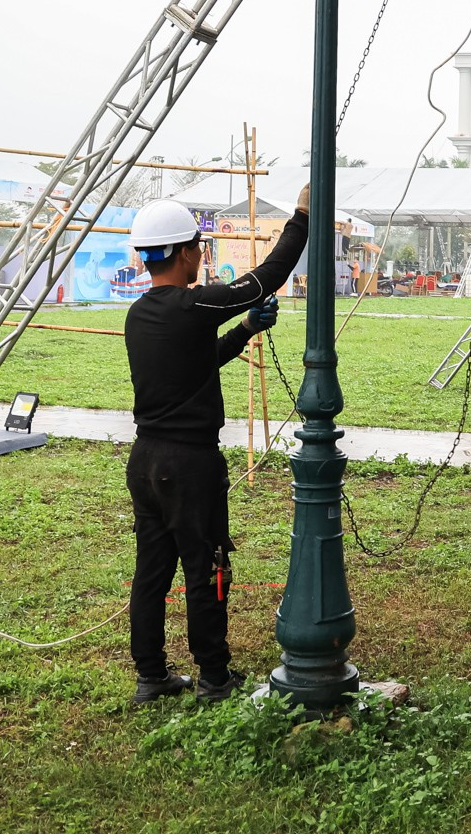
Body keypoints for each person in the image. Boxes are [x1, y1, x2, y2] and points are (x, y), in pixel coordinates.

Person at [123, 183, 309, 706]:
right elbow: (265, 279)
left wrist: (246, 328)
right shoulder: (192, 303)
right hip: (190, 466)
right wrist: (301, 217)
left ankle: (151, 676)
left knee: (152, 573)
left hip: (147, 462)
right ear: (184, 253)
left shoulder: (141, 315)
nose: (201, 259)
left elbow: (197, 364)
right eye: (199, 250)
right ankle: (214, 678)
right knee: (205, 567)